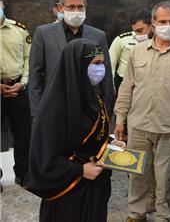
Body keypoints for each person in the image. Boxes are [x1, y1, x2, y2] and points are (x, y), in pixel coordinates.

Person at [114, 1, 170, 222]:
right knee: (137, 176)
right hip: (138, 127)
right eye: (162, 21)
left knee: (165, 179)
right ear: (153, 23)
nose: (167, 26)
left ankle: (163, 216)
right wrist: (120, 119)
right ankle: (136, 214)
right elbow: (126, 88)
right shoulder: (137, 52)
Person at [26, 38, 125, 222]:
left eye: (102, 63)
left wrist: (110, 142)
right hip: (68, 194)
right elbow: (43, 161)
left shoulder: (92, 97)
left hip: (94, 187)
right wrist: (79, 171)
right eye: (95, 63)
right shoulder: (52, 109)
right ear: (78, 65)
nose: (100, 69)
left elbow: (88, 136)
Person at [29, 0, 114, 118]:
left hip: (88, 109)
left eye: (80, 7)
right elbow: (35, 76)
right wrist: (37, 113)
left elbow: (106, 77)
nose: (76, 11)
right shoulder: (43, 34)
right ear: (60, 8)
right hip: (54, 109)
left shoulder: (98, 36)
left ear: (86, 7)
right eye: (71, 7)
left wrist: (107, 114)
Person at [0, 0, 32, 186]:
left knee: (24, 136)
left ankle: (24, 174)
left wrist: (24, 82)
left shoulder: (20, 30)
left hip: (19, 88)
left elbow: (30, 56)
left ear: (2, 4)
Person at [110, 8, 152, 92]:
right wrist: (111, 84)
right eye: (135, 30)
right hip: (123, 82)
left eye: (140, 30)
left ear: (151, 25)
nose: (137, 34)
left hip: (148, 83)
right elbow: (111, 63)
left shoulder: (159, 43)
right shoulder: (122, 39)